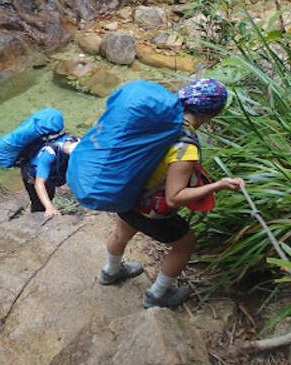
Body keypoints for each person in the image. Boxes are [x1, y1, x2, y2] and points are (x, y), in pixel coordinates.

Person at [97, 78, 244, 308]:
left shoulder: (160, 123)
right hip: (149, 209)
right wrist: (219, 185)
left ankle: (110, 272)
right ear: (211, 114)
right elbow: (174, 197)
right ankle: (157, 295)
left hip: (127, 194)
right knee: (185, 244)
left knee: (120, 234)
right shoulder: (186, 147)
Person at [21, 134, 79, 216]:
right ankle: (34, 212)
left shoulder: (75, 141)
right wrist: (49, 208)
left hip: (51, 171)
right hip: (31, 172)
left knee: (50, 194)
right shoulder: (49, 154)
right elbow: (39, 184)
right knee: (39, 204)